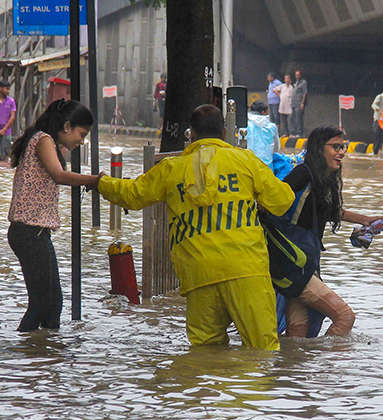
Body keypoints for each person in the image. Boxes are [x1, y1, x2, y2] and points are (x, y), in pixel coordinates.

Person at [97, 104, 296, 350]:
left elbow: (132, 194)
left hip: (199, 275)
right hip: (246, 270)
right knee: (262, 350)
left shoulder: (171, 169)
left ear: (191, 134)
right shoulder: (246, 162)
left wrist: (101, 182)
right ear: (224, 133)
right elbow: (283, 201)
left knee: (205, 352)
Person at [263, 126, 383, 338]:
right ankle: (331, 368)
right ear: (319, 148)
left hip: (303, 262)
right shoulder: (302, 174)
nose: (342, 152)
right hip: (293, 264)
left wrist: (366, 220)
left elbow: (329, 212)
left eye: (343, 147)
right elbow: (270, 202)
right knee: (345, 316)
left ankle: (293, 368)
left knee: (298, 331)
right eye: (335, 147)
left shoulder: (323, 180)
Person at [7, 99, 99, 331]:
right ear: (67, 126)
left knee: (53, 303)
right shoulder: (43, 140)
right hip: (28, 232)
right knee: (40, 304)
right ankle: (27, 355)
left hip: (36, 233)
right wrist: (95, 180)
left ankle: (47, 355)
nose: (82, 141)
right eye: (82, 134)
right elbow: (59, 175)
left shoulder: (44, 140)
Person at [246, 100, 280, 167]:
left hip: (249, 163)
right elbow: (276, 147)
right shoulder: (271, 127)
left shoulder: (245, 126)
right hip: (267, 164)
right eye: (267, 111)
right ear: (263, 112)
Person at [290, 69, 308, 137]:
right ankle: (294, 132)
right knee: (293, 118)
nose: (296, 76)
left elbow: (305, 93)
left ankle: (299, 132)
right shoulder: (296, 82)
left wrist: (302, 103)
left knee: (298, 118)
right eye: (296, 75)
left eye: (298, 75)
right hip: (294, 103)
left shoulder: (303, 82)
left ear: (300, 75)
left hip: (299, 103)